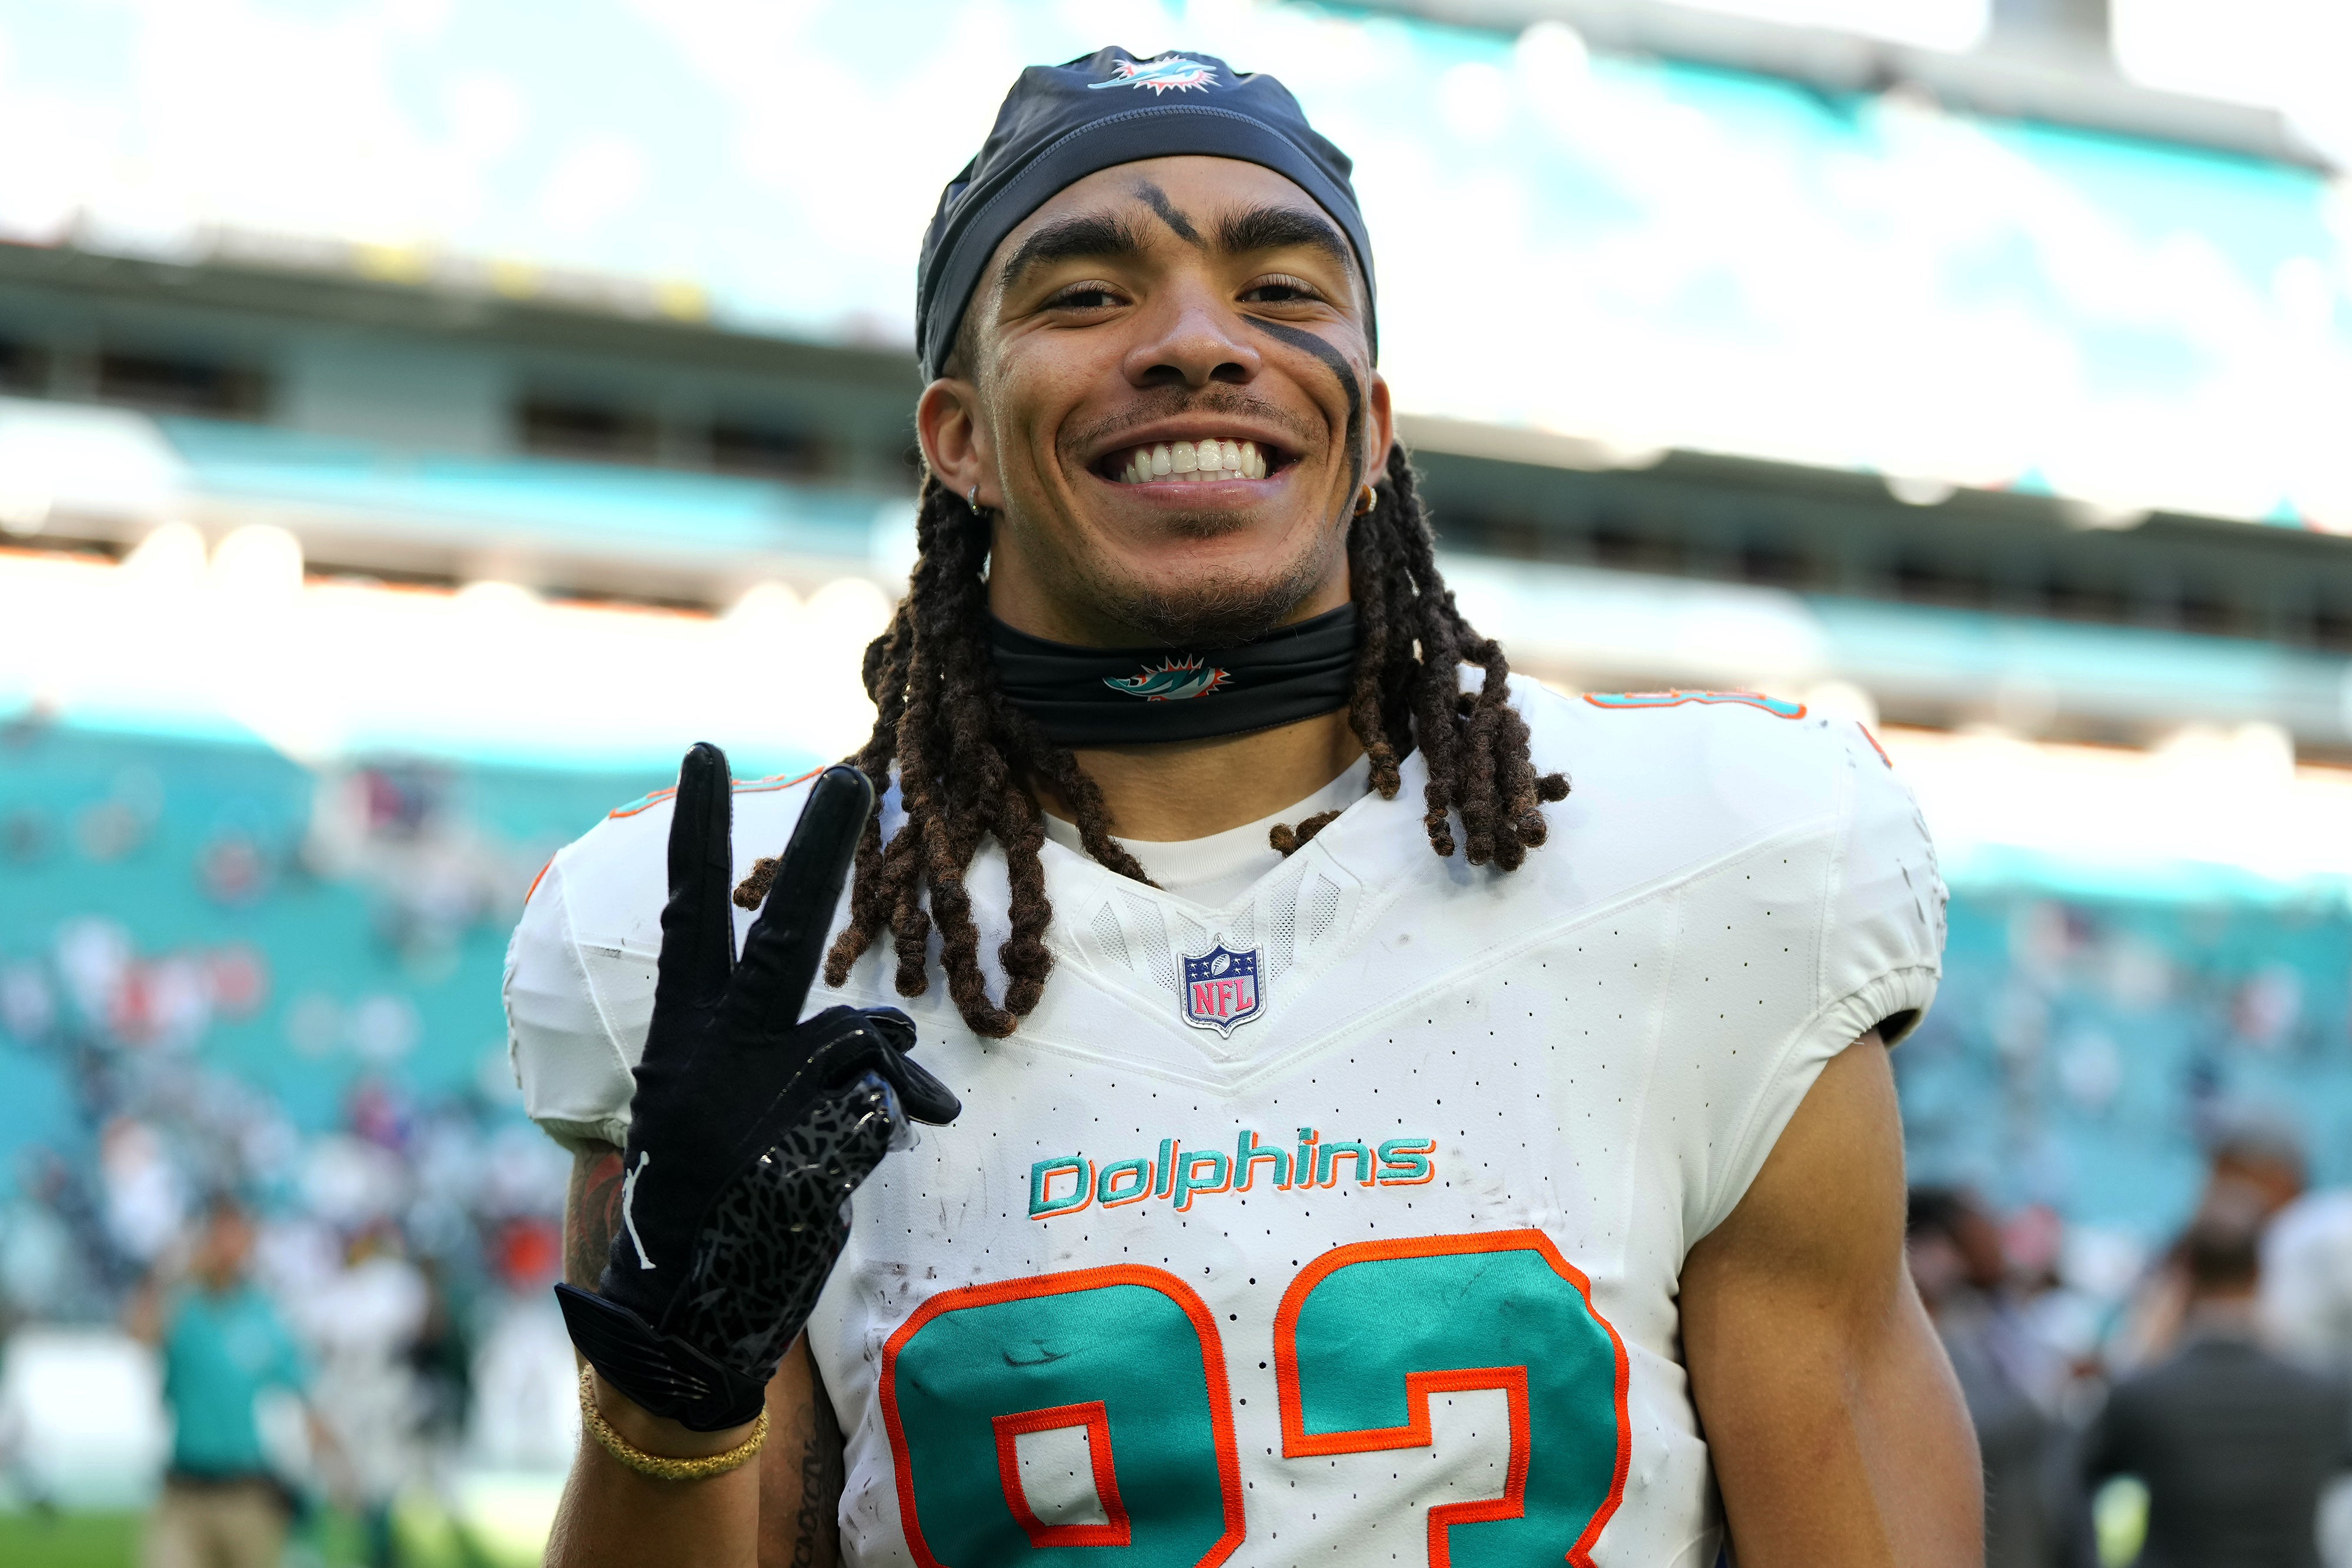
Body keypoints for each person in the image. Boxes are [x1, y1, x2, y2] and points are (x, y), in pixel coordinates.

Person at [505, 46, 1978, 1567]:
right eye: (1086, 295)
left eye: (1282, 291)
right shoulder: (751, 949)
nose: (1201, 344)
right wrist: (674, 1397)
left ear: (1375, 423)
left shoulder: (1715, 873)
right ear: (956, 438)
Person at [2081, 1196, 2352, 1567]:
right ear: (2260, 1271)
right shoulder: (2322, 1394)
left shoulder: (2143, 1394)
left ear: (2187, 1270)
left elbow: (2075, 1477)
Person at [125, 1195, 321, 1568]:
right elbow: (139, 1332)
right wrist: (173, 1272)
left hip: (249, 1494)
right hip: (185, 1491)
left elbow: (301, 1395)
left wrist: (324, 1464)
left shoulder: (265, 1314)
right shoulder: (183, 1306)